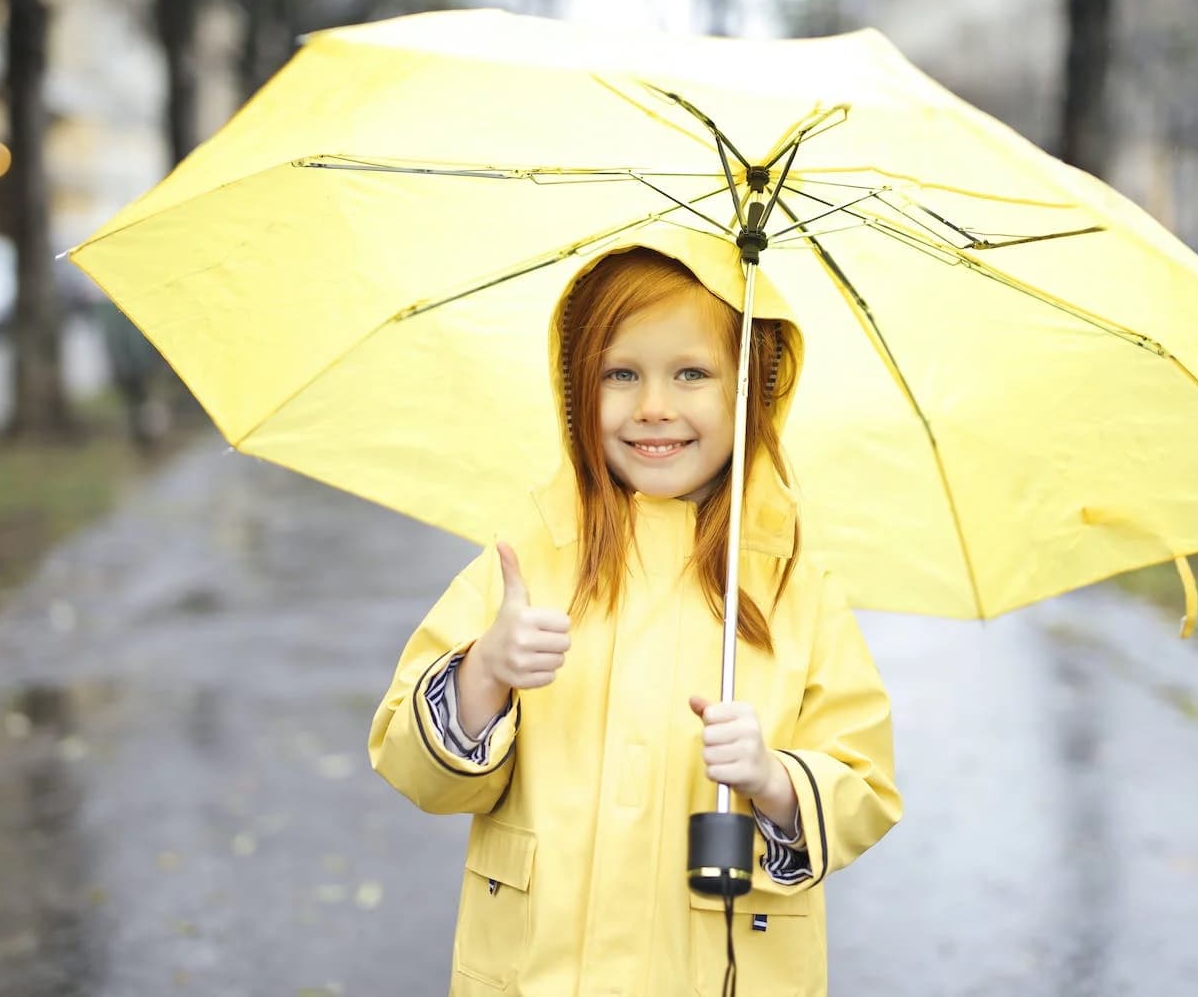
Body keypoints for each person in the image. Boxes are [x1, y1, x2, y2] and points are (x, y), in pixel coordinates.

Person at [369, 232, 901, 996]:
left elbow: (865, 783)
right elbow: (410, 762)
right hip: (535, 973)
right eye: (621, 373)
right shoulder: (531, 561)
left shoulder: (793, 589)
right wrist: (485, 670)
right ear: (578, 390)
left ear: (749, 389)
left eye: (692, 373)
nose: (654, 406)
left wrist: (774, 780)